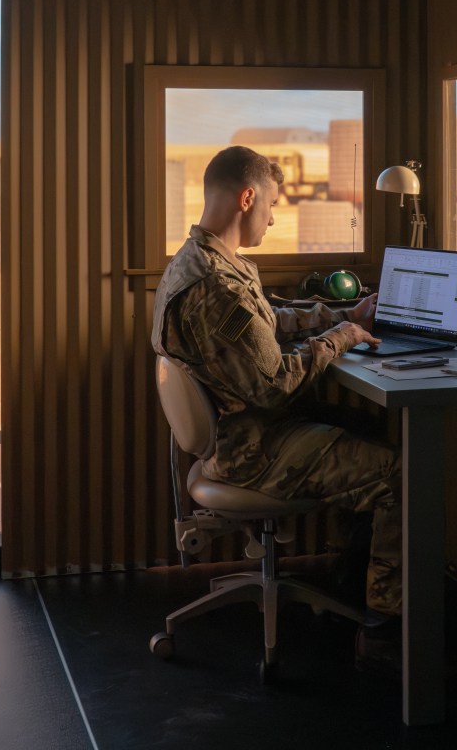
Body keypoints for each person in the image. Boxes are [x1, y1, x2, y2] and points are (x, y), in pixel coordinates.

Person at [151, 145, 403, 668]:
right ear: (247, 197)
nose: (272, 216)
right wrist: (344, 335)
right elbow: (274, 383)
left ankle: (348, 589)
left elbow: (263, 324)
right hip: (251, 449)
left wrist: (340, 313)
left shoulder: (199, 262)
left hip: (237, 435)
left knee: (361, 424)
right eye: (269, 205)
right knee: (402, 476)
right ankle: (384, 635)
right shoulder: (216, 287)